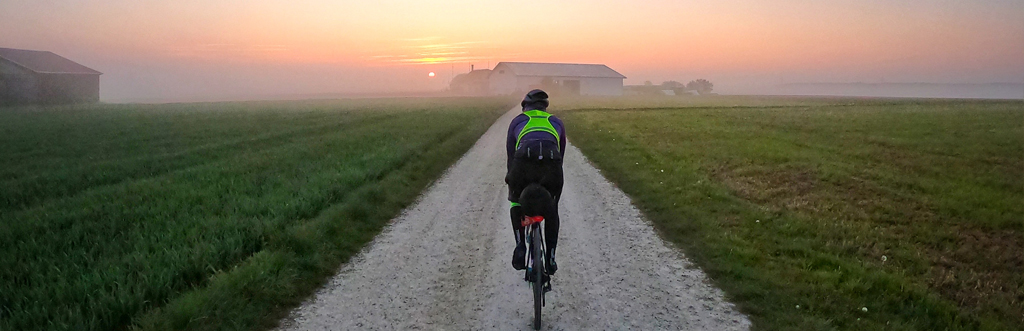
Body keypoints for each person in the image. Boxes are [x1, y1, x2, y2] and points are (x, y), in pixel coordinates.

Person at [505, 89, 566, 275]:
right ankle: (551, 257)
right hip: (551, 164)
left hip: (523, 161)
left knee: (516, 201)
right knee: (552, 208)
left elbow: (510, 155)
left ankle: (520, 246)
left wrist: (512, 179)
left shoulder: (517, 121)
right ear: (545, 107)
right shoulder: (556, 122)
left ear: (525, 106)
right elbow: (560, 154)